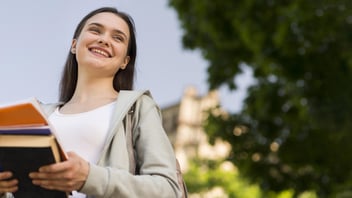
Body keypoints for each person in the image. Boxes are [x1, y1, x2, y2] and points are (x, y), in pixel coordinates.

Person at [0, 7, 182, 198]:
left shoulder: (138, 108)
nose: (104, 40)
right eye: (95, 30)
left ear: (125, 61)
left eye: (118, 38)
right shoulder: (38, 115)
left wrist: (89, 177)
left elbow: (168, 189)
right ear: (74, 45)